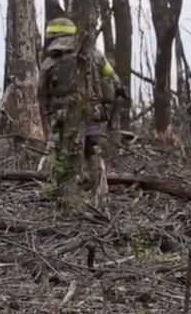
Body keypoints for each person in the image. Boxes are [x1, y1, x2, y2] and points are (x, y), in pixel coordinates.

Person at [37, 16, 127, 201]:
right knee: (92, 149)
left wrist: (48, 112)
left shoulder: (49, 61)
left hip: (61, 117)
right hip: (92, 113)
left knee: (58, 151)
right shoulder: (94, 54)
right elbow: (115, 81)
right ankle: (99, 191)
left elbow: (42, 91)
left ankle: (57, 190)